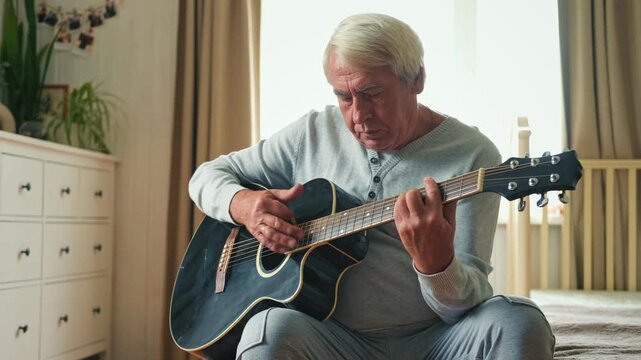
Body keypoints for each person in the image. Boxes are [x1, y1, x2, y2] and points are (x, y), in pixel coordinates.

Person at [189, 13, 555, 360]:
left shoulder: (473, 154)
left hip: (439, 342)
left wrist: (436, 265)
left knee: (519, 319)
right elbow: (206, 176)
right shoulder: (312, 133)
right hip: (331, 340)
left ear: (417, 79)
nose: (358, 116)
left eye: (373, 94)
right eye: (344, 97)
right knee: (266, 329)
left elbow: (464, 305)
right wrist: (244, 205)